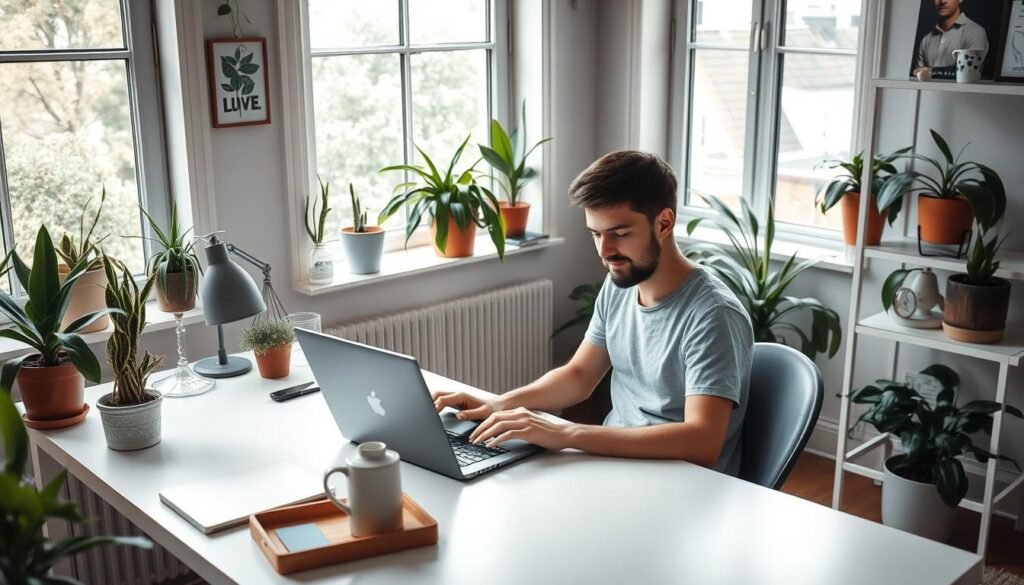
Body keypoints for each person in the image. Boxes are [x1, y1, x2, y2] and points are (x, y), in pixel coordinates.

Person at [432, 151, 754, 475]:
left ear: (664, 223)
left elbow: (702, 441)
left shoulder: (713, 314)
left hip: (683, 481)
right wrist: (498, 404)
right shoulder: (621, 284)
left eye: (620, 233)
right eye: (596, 234)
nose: (604, 251)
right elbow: (579, 376)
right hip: (616, 464)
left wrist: (567, 433)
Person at [913, 0, 988, 78]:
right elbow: (918, 76)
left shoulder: (975, 32)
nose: (942, 1)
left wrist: (931, 72)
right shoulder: (926, 39)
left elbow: (969, 72)